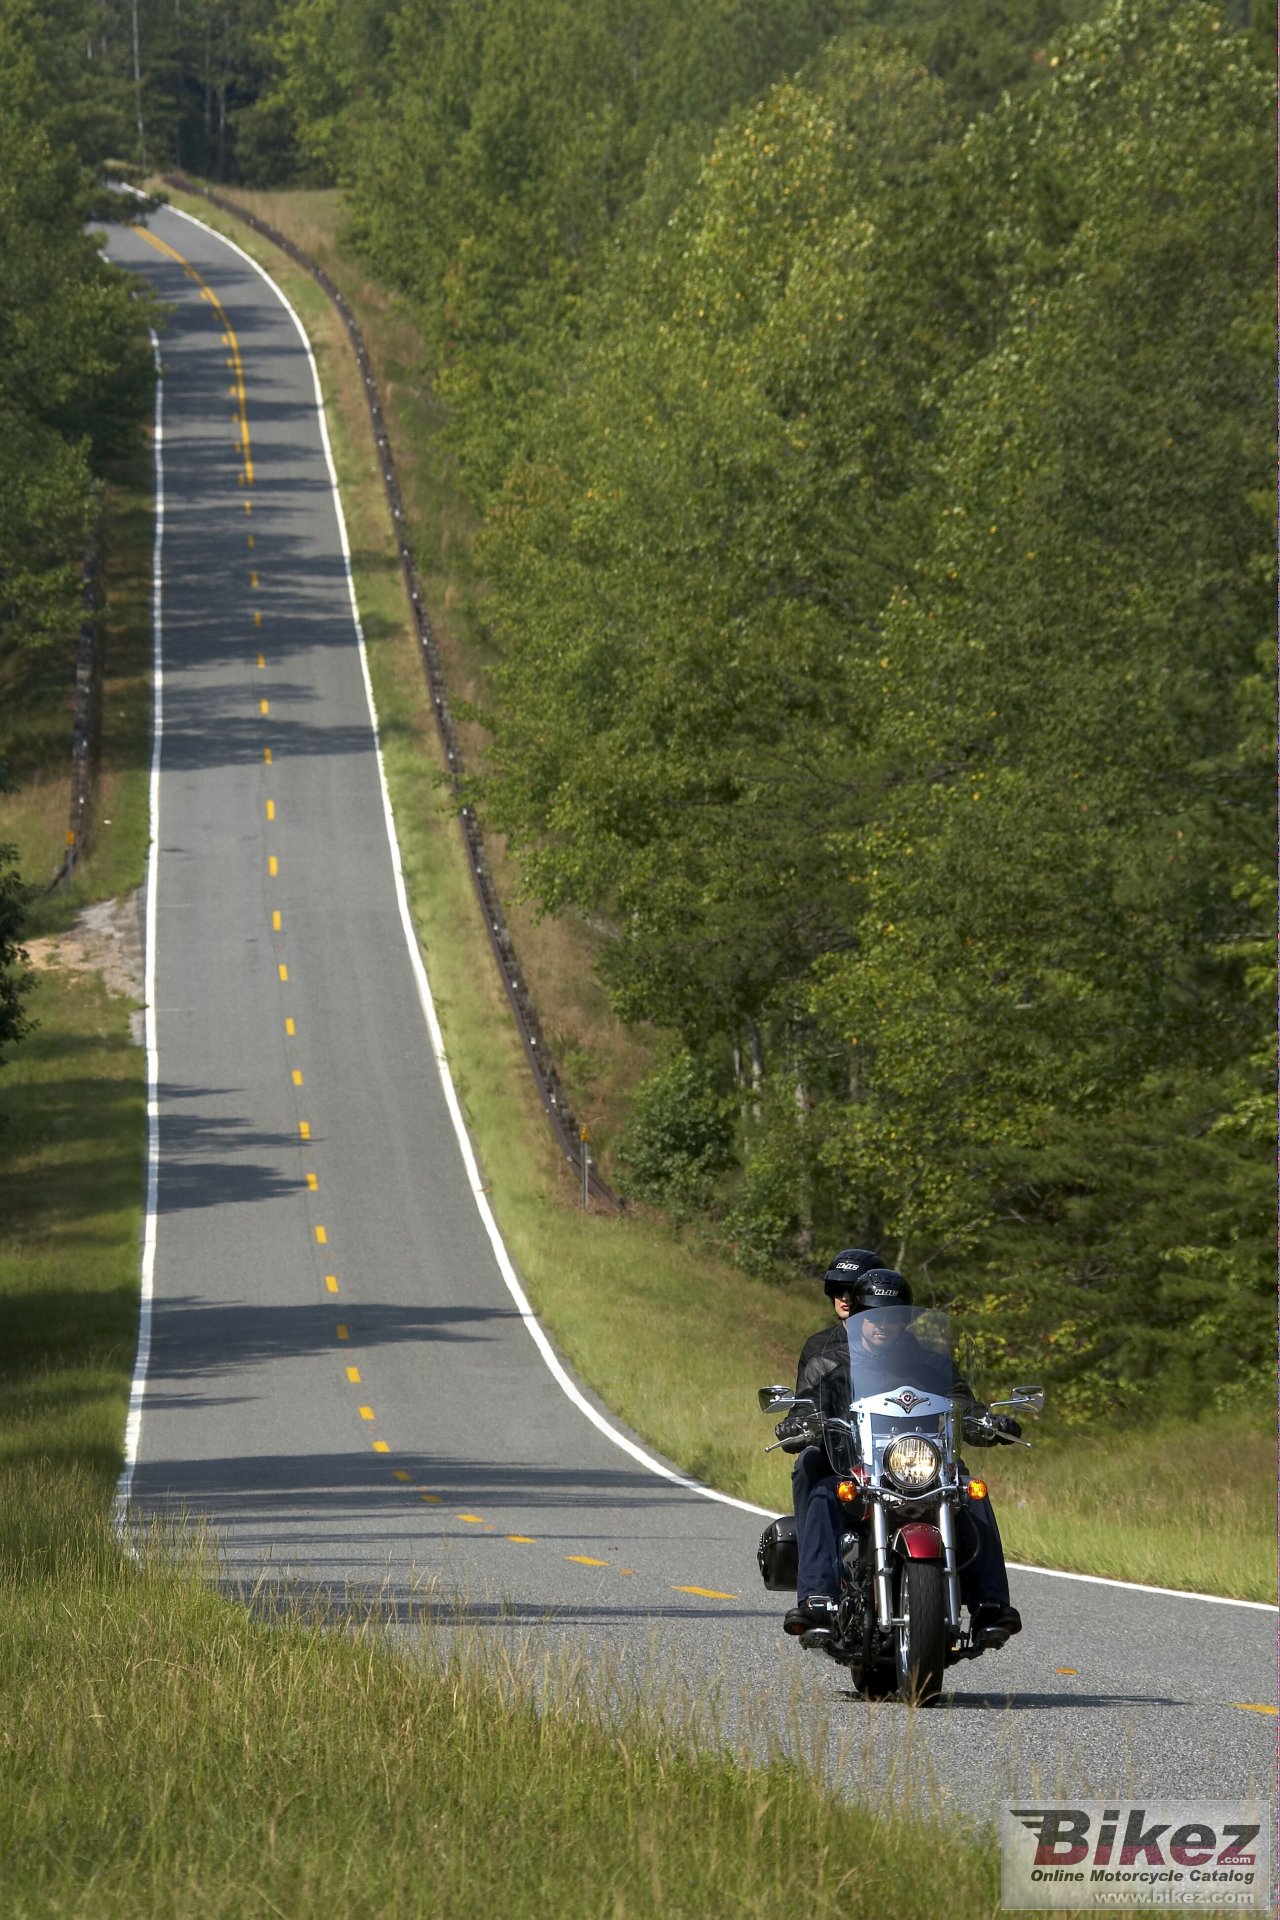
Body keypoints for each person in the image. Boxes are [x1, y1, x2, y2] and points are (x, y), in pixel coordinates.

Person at [776, 1262, 1023, 1644]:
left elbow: (960, 1399)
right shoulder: (829, 1357)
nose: (881, 1324)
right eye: (870, 1316)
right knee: (826, 1493)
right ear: (856, 1316)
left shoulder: (928, 1361)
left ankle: (990, 1603)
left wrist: (988, 1420)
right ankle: (817, 1598)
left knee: (970, 1490)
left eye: (890, 1317)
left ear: (904, 1321)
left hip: (919, 1462)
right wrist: (800, 1420)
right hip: (859, 1461)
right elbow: (808, 1400)